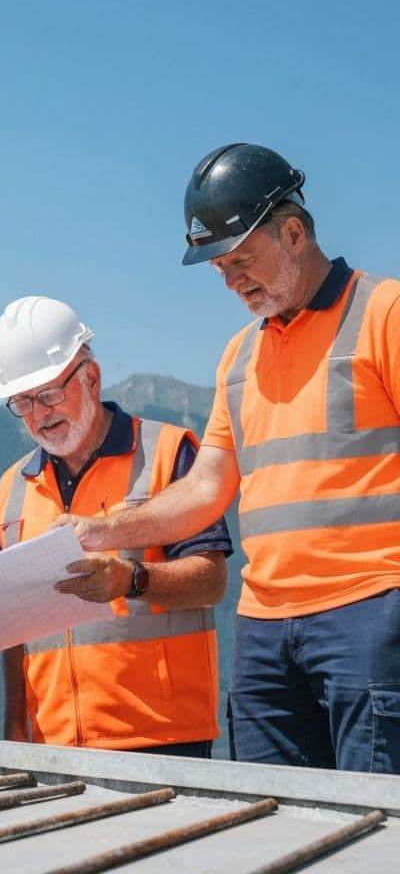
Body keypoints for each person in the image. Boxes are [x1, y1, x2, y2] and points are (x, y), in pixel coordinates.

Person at [77, 142, 400, 773]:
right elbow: (204, 492)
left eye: (242, 258)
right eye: (218, 267)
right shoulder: (237, 359)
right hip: (263, 628)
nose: (231, 280)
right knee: (275, 822)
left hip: (373, 612)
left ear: (295, 231)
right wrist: (102, 528)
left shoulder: (383, 314)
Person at [0, 296, 231, 756]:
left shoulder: (167, 451)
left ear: (92, 378)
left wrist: (132, 580)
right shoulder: (10, 489)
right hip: (52, 746)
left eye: (49, 394)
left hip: (163, 738)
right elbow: (13, 630)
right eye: (23, 402)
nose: (40, 414)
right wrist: (15, 732)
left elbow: (212, 580)